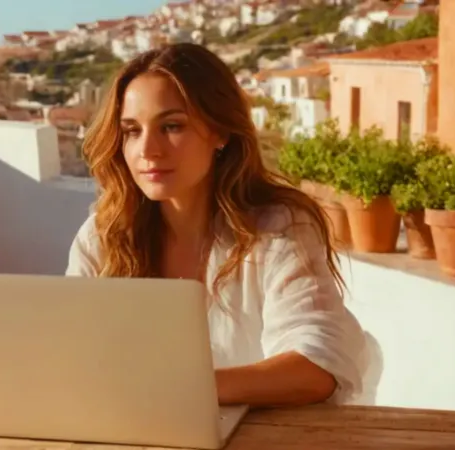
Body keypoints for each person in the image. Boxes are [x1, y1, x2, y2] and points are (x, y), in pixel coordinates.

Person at [65, 43, 366, 408]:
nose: (148, 149)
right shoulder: (104, 234)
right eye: (131, 130)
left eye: (172, 126)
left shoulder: (278, 230)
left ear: (220, 132)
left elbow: (317, 366)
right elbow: (72, 352)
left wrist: (183, 391)